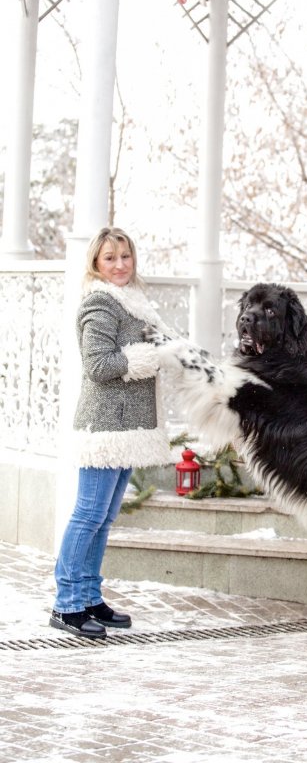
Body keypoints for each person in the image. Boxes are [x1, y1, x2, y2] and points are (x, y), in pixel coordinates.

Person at [50, 227, 176, 639]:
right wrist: (147, 356)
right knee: (88, 515)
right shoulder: (100, 304)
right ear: (96, 264)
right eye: (110, 258)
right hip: (104, 427)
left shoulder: (134, 303)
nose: (120, 265)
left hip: (127, 427)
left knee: (103, 519)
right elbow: (99, 366)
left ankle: (89, 596)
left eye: (125, 256)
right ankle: (67, 604)